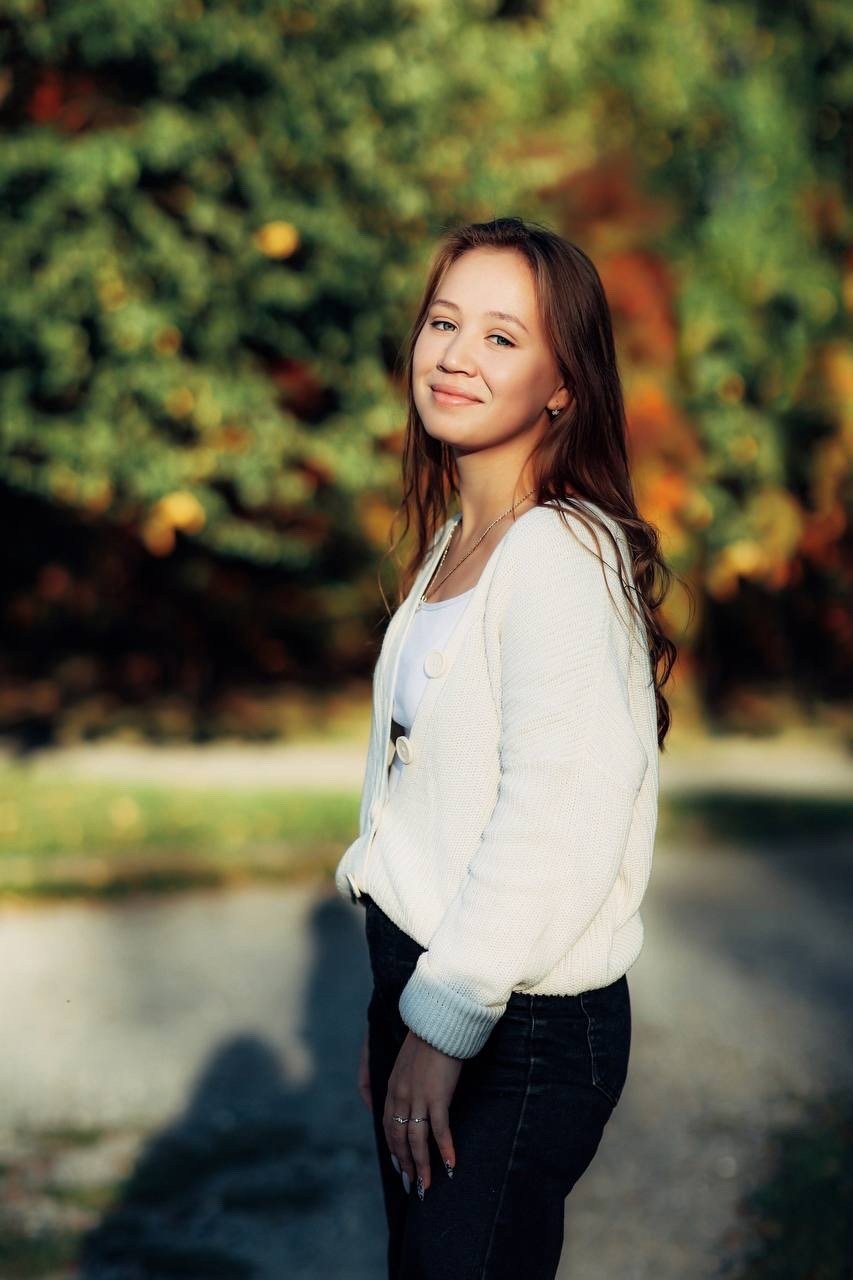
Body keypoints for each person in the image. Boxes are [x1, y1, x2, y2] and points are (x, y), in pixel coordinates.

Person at [334, 216, 677, 1280]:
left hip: (515, 1025)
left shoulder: (560, 554)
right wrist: (395, 1013)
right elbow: (416, 788)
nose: (454, 355)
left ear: (562, 384)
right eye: (443, 322)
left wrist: (436, 1027)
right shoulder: (459, 540)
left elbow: (556, 818)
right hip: (435, 986)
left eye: (500, 336)